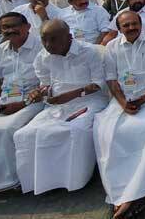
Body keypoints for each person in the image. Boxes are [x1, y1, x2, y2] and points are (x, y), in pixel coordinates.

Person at [13, 19, 108, 195]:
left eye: (54, 39)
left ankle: (73, 180)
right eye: (44, 40)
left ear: (69, 37)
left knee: (75, 130)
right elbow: (46, 84)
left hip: (90, 101)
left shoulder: (89, 52)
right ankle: (39, 179)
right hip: (55, 105)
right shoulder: (42, 57)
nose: (48, 45)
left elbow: (98, 84)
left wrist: (70, 95)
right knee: (26, 133)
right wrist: (40, 92)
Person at [93, 11, 145, 218]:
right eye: (127, 25)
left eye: (135, 24)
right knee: (107, 131)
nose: (132, 28)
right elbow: (111, 79)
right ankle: (119, 191)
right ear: (119, 28)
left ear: (141, 24)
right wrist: (123, 102)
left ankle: (137, 194)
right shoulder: (112, 47)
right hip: (122, 98)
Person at [0, 13, 45, 202]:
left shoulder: (41, 46)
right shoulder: (0, 49)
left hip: (34, 100)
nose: (10, 30)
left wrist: (22, 104)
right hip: (5, 100)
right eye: (5, 27)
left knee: (6, 129)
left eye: (14, 26)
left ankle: (10, 181)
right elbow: (1, 79)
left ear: (28, 26)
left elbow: (47, 84)